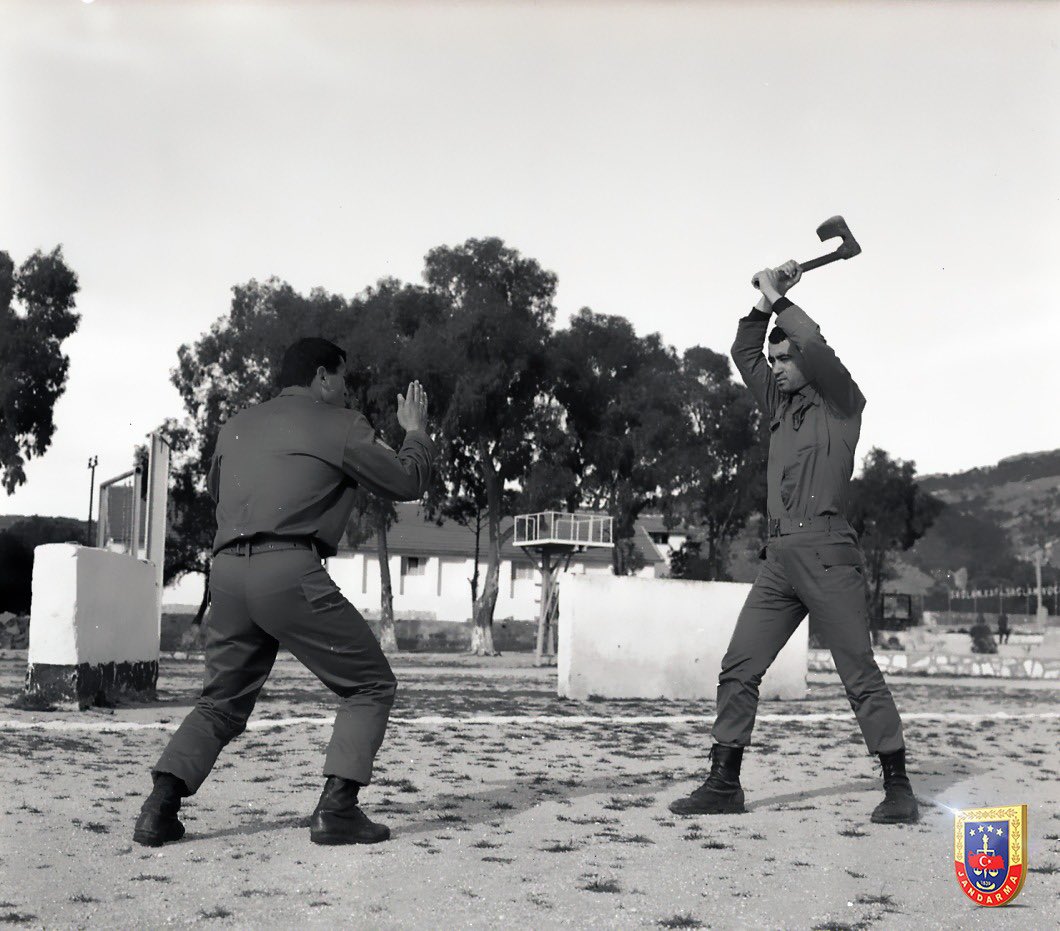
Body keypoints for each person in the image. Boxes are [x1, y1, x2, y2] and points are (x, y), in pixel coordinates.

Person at [133, 337, 435, 847]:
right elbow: (408, 481)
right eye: (342, 378)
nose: (344, 388)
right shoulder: (341, 424)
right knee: (369, 684)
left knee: (220, 703)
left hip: (227, 572)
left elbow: (216, 489)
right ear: (322, 376)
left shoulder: (236, 424)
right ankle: (337, 810)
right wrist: (415, 431)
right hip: (288, 568)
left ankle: (158, 809)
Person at [670, 261, 918, 825]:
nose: (777, 367)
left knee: (858, 673)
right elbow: (743, 351)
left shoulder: (842, 402)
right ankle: (723, 783)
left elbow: (811, 339)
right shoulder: (778, 406)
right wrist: (763, 304)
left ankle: (898, 784)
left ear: (809, 364)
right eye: (776, 360)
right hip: (780, 560)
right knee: (739, 666)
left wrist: (781, 297)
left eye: (787, 360)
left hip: (830, 556)